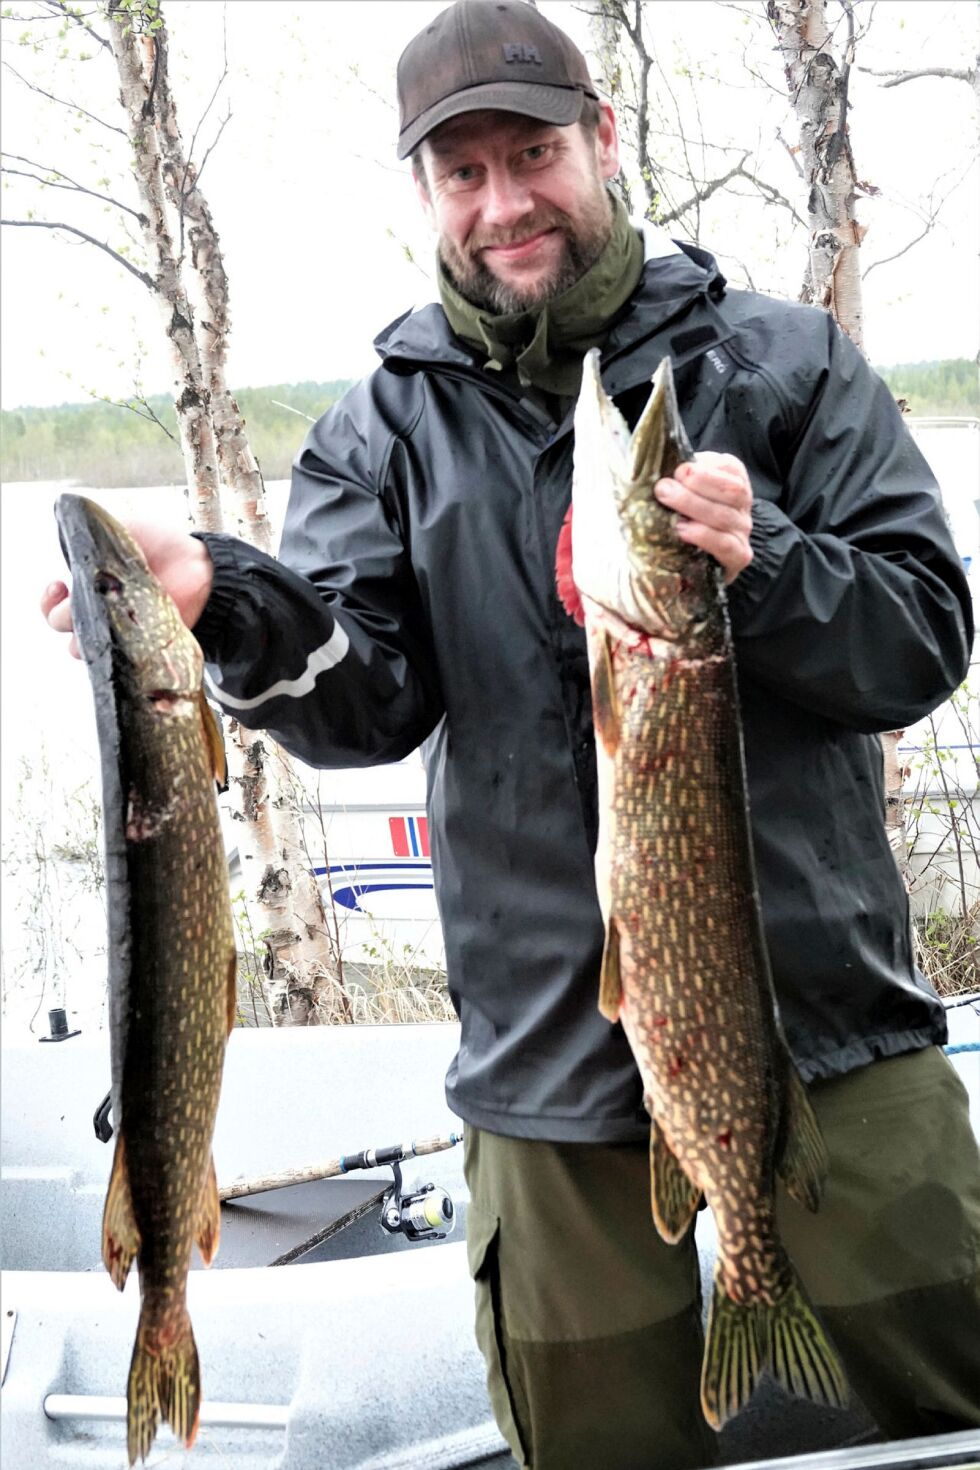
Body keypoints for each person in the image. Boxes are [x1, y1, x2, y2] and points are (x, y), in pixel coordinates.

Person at [44, 2, 980, 1466]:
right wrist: (225, 600)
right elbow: (364, 697)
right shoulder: (384, 429)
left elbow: (927, 633)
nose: (504, 202)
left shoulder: (784, 363)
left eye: (533, 153)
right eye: (461, 171)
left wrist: (770, 562)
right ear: (422, 190)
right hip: (544, 1088)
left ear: (602, 141)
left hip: (843, 1048)